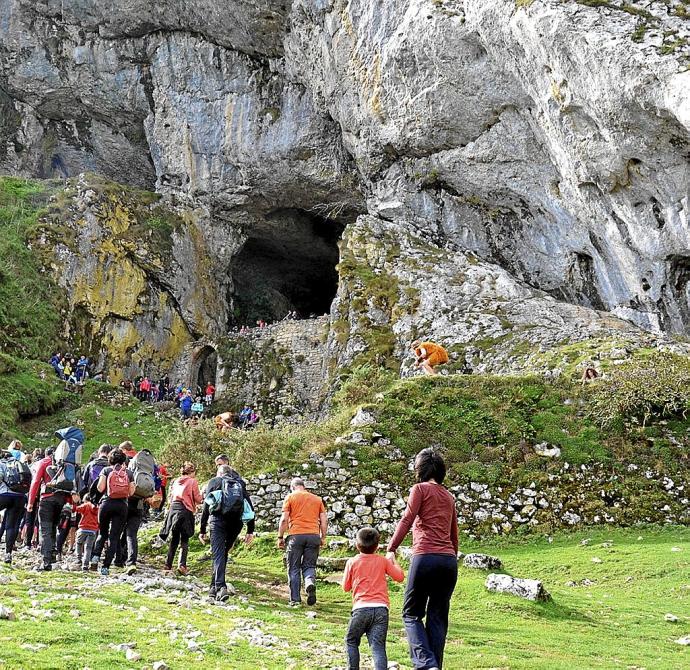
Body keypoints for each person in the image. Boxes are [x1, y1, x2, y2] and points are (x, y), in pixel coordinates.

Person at [387, 449, 458, 670]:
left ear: (419, 469)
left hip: (425, 557)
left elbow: (407, 518)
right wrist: (450, 559)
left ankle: (427, 665)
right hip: (448, 562)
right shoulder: (449, 496)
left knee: (411, 614)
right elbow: (453, 534)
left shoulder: (419, 489)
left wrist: (392, 548)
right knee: (437, 617)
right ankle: (435, 665)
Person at [343, 527, 405, 670]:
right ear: (377, 546)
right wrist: (393, 561)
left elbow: (346, 587)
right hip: (381, 609)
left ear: (357, 544)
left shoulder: (352, 562)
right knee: (377, 646)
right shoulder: (382, 561)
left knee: (351, 640)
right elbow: (400, 577)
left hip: (361, 608)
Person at [199, 464, 255, 601]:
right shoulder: (240, 483)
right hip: (236, 523)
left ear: (219, 473)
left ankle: (221, 586)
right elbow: (249, 506)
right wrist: (250, 530)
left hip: (217, 521)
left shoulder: (214, 481)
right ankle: (213, 588)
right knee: (222, 553)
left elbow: (206, 506)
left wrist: (202, 529)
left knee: (218, 553)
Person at [277, 477, 328, 606]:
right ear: (303, 486)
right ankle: (309, 583)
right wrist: (323, 537)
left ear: (292, 487)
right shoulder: (317, 499)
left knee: (294, 568)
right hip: (313, 536)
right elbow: (324, 520)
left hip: (296, 536)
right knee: (309, 566)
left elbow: (284, 520)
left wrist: (280, 537)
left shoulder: (290, 497)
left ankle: (295, 600)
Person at [28, 447, 75, 571]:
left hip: (47, 499)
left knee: (45, 530)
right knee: (53, 527)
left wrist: (30, 502)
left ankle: (46, 561)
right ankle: (53, 553)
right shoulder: (66, 463)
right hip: (61, 500)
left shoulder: (44, 462)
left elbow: (36, 481)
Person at [92, 448, 135, 575]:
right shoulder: (129, 473)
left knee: (102, 533)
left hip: (106, 504)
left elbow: (100, 488)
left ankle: (95, 557)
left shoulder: (106, 470)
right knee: (114, 537)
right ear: (123, 460)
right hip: (122, 506)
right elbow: (132, 492)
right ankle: (105, 567)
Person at [161, 462, 202, 575]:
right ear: (192, 472)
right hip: (185, 510)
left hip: (174, 510)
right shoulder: (192, 481)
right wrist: (203, 498)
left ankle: (168, 565)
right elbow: (197, 498)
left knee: (174, 538)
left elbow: (170, 497)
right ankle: (182, 565)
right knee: (184, 538)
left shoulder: (175, 481)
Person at [0, 451, 29, 564]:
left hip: (4, 495)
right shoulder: (19, 463)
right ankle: (8, 554)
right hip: (20, 497)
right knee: (11, 526)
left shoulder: (1, 463)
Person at [74, 494, 99, 571]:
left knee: (78, 543)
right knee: (88, 548)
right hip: (93, 530)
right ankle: (85, 565)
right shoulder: (97, 507)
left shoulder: (86, 505)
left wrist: (76, 502)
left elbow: (76, 509)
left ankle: (78, 559)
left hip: (83, 528)